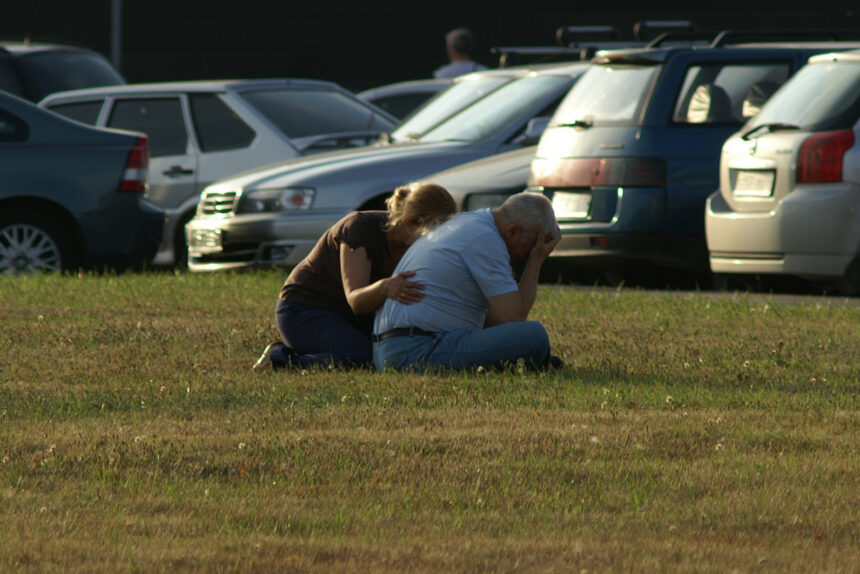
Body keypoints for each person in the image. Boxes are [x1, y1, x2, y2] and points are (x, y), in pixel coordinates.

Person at [254, 182, 457, 370]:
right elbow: (356, 301)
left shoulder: (412, 242)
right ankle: (281, 359)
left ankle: (317, 350)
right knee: (360, 357)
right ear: (409, 221)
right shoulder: (359, 229)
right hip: (305, 309)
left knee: (392, 349)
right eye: (433, 232)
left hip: (351, 318)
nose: (436, 241)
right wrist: (385, 287)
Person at [372, 192, 562, 372]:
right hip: (416, 350)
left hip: (390, 352)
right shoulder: (486, 239)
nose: (524, 255)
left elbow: (497, 321)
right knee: (533, 336)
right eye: (528, 247)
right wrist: (536, 261)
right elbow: (515, 318)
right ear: (514, 231)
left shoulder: (469, 224)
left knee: (526, 336)